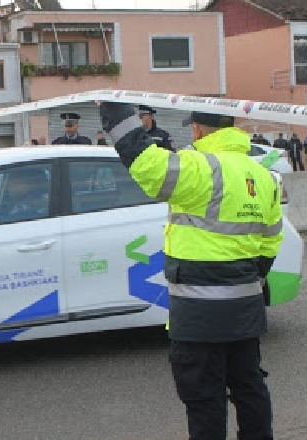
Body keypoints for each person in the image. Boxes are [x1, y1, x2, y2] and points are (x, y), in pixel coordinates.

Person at [100, 103, 282, 440]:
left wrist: (113, 108)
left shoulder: (200, 167)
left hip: (199, 313)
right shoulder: (262, 174)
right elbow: (271, 244)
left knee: (204, 399)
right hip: (245, 306)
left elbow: (144, 163)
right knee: (249, 387)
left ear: (198, 129)